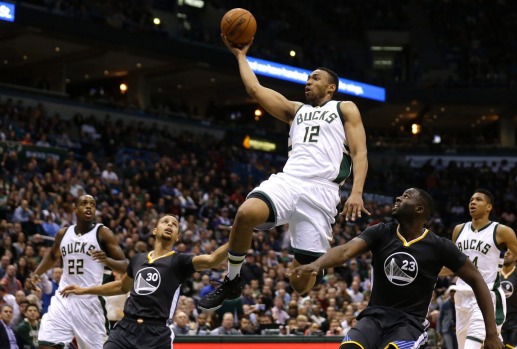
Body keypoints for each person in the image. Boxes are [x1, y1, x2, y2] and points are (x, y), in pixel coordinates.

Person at [198, 34, 369, 311]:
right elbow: (255, 89)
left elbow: (360, 153)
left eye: (315, 78)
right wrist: (241, 56)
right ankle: (232, 280)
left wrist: (357, 192)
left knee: (300, 284)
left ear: (331, 87)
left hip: (322, 192)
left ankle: (315, 265)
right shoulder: (294, 110)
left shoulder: (344, 108)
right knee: (245, 213)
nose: (308, 82)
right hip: (289, 181)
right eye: (307, 79)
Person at [290, 188, 503, 349]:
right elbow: (346, 251)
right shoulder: (381, 232)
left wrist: (491, 333)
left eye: (406, 196)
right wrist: (317, 264)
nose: (399, 198)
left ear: (420, 209)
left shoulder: (439, 246)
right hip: (374, 317)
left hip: (409, 323)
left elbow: (477, 280)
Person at [60, 214, 229, 349]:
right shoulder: (138, 259)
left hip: (156, 333)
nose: (170, 225)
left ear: (177, 237)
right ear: (155, 230)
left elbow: (212, 260)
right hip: (126, 328)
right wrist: (84, 290)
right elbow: (121, 286)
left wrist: (238, 236)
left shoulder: (180, 261)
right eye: (165, 222)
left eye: (174, 224)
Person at [31, 194, 128, 349]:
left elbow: (126, 265)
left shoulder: (102, 232)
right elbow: (52, 255)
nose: (89, 206)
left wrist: (107, 261)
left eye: (93, 204)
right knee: (46, 345)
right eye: (84, 203)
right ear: (75, 209)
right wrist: (36, 273)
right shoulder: (63, 234)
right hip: (63, 297)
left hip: (89, 301)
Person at [445, 189, 517, 349]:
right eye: (471, 200)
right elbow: (452, 266)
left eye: (478, 200)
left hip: (486, 297)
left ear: (489, 207)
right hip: (462, 298)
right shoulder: (458, 230)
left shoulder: (501, 231)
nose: (473, 202)